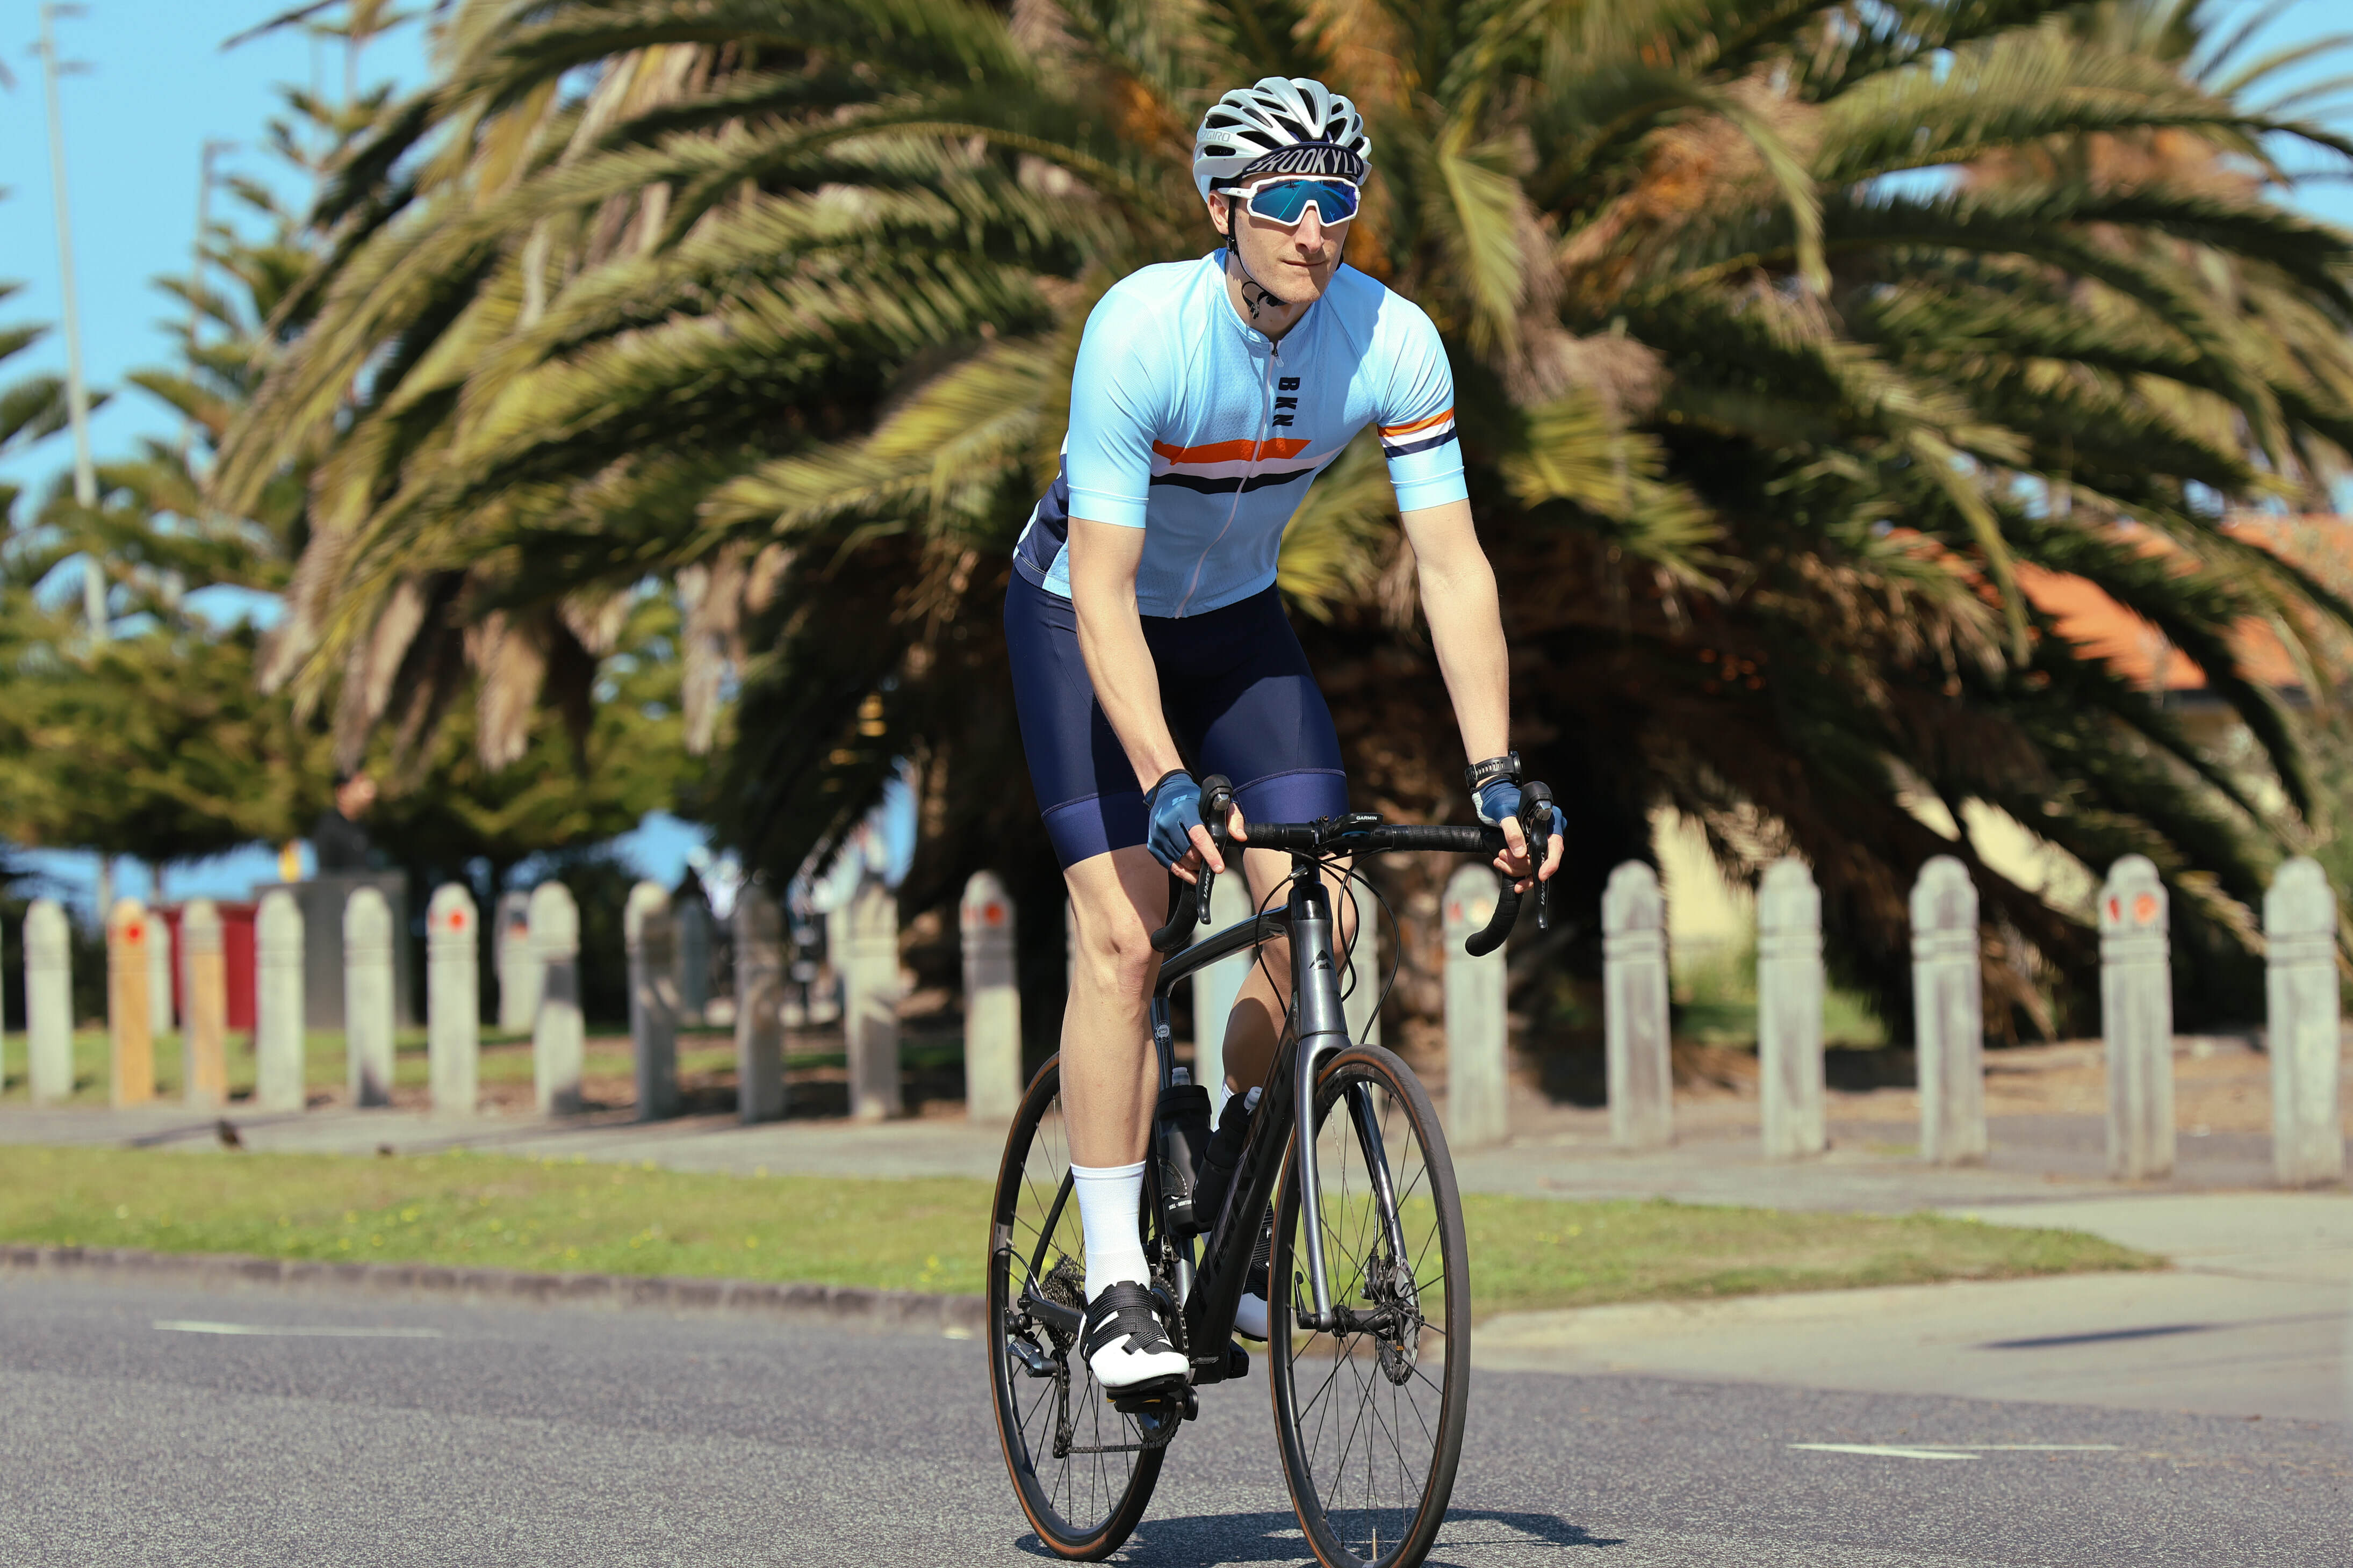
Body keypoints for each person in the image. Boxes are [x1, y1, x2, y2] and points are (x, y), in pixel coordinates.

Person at [1002, 77, 1568, 1392]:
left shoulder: (1392, 341)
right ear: (1224, 211)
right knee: (1125, 940)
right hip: (1080, 627)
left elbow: (1449, 565)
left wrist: (1494, 774)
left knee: (1331, 911)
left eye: (1339, 204)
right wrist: (1158, 777)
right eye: (1287, 206)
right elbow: (1099, 591)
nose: (1317, 232)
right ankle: (1115, 1283)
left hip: (1236, 629)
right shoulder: (1143, 331)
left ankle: (1236, 1164)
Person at [312, 769, 379, 873]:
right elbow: (327, 878)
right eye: (359, 783)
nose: (368, 789)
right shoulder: (329, 828)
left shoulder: (363, 826)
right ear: (342, 791)